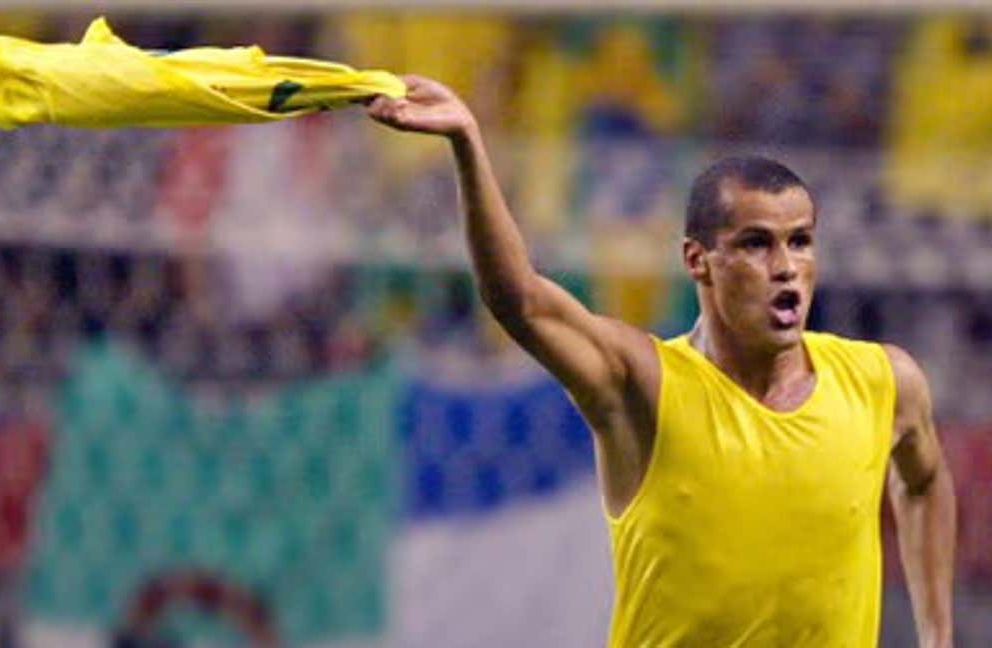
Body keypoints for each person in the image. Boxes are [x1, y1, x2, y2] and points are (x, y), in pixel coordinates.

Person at [366, 76, 955, 647]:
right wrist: (468, 144)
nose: (786, 268)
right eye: (756, 244)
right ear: (697, 261)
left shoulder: (883, 382)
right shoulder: (644, 385)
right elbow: (520, 300)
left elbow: (923, 482)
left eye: (800, 241)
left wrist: (937, 635)